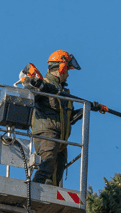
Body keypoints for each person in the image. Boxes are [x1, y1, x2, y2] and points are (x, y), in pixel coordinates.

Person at [24, 50, 105, 186]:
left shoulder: (63, 92)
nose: (67, 74)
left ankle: (46, 195)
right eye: (67, 70)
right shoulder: (42, 84)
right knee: (46, 166)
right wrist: (37, 85)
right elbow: (30, 94)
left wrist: (88, 108)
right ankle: (33, 192)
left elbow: (70, 118)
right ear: (61, 67)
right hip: (47, 133)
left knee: (56, 175)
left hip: (62, 138)